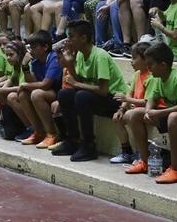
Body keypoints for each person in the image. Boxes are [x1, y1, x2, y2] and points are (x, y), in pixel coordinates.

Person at [52, 19, 128, 161]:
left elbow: (103, 90)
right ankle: (73, 140)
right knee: (64, 94)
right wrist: (70, 63)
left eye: (71, 36)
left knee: (81, 95)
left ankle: (89, 144)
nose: (68, 40)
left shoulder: (100, 56)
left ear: (83, 38)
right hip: (95, 97)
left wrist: (76, 84)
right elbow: (80, 81)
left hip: (115, 100)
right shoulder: (80, 54)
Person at [123, 43, 177, 183]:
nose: (147, 66)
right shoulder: (157, 78)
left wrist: (157, 114)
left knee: (174, 117)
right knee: (134, 114)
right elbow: (152, 98)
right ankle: (145, 160)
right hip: (169, 114)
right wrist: (148, 111)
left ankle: (175, 168)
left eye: (150, 63)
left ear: (162, 65)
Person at [8, 30, 64, 147]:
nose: (31, 50)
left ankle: (52, 134)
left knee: (36, 94)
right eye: (30, 47)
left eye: (34, 47)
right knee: (22, 94)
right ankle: (38, 132)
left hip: (58, 92)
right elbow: (32, 82)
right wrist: (25, 65)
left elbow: (45, 85)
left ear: (45, 47)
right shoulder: (35, 61)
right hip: (46, 91)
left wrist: (24, 85)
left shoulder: (54, 58)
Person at [110, 41, 156, 164]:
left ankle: (142, 152)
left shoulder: (151, 77)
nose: (131, 61)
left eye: (134, 58)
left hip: (149, 110)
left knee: (131, 116)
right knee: (118, 118)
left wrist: (127, 100)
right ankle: (127, 151)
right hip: (136, 109)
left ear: (145, 60)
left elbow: (147, 102)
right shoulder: (137, 74)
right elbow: (129, 94)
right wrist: (121, 109)